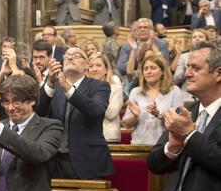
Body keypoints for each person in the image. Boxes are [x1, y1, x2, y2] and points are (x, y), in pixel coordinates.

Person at [147, 40, 221, 191]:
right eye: (187, 67)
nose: (187, 73)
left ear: (218, 73)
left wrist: (190, 135)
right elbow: (154, 164)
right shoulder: (185, 112)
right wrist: (171, 147)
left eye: (195, 68)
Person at [37, 48, 114, 179]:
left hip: (87, 160)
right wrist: (49, 82)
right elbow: (38, 113)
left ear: (87, 65)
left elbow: (96, 111)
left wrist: (66, 86)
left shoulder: (99, 86)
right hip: (54, 160)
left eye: (76, 56)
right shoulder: (53, 87)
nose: (70, 58)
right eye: (67, 56)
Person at [122, 55, 182, 145]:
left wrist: (159, 114)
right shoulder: (135, 92)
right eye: (145, 69)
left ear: (162, 71)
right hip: (139, 144)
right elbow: (126, 124)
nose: (149, 71)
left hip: (164, 145)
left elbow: (178, 123)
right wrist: (135, 116)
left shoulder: (174, 91)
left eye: (153, 68)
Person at [87, 53, 123, 143]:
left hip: (109, 135)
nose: (94, 69)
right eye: (91, 66)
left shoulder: (115, 86)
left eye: (98, 65)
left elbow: (110, 114)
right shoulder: (84, 87)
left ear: (106, 69)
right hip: (87, 135)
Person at [173, 29, 209, 101]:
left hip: (207, 94)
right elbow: (176, 79)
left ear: (207, 41)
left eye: (200, 37)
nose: (197, 38)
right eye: (194, 37)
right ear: (190, 41)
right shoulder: (183, 57)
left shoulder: (212, 56)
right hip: (187, 96)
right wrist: (187, 70)